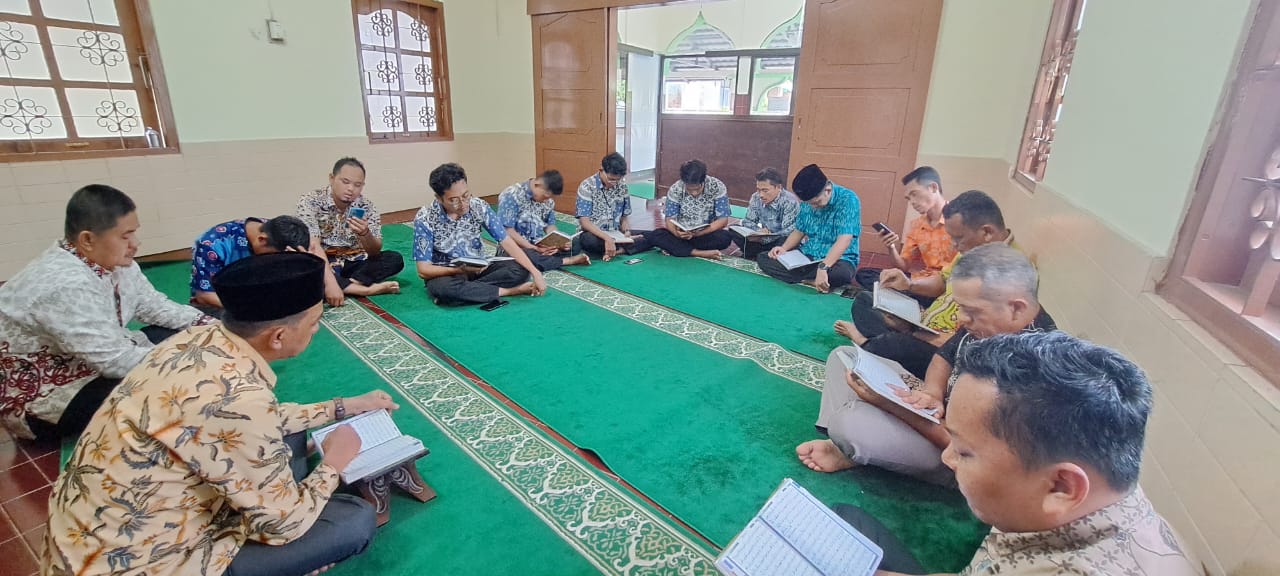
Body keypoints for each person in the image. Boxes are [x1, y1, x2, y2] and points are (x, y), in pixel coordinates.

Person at [43, 252, 396, 576]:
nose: (317, 329)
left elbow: (253, 420)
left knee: (287, 440)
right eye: (315, 322)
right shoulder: (241, 400)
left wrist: (342, 407)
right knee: (353, 521)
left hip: (88, 539)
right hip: (149, 562)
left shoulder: (194, 340)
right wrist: (333, 463)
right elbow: (284, 525)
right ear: (278, 336)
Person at [846, 332, 1202, 575]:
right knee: (847, 529)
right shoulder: (1106, 496)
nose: (947, 459)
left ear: (1061, 487)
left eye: (965, 452)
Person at [798, 245, 1055, 486]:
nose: (962, 319)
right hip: (936, 413)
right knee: (845, 358)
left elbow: (969, 449)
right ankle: (846, 445)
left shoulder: (1033, 364)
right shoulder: (992, 320)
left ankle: (849, 442)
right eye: (961, 309)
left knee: (849, 422)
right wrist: (932, 392)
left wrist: (888, 403)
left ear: (1016, 309)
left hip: (956, 454)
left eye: (970, 311)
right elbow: (943, 356)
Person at [0, 185, 215, 441]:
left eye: (134, 233)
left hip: (96, 358)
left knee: (199, 325)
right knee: (172, 383)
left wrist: (210, 325)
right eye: (125, 236)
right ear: (87, 240)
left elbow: (154, 306)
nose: (135, 243)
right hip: (51, 398)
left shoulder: (116, 262)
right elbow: (114, 361)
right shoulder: (64, 284)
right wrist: (194, 358)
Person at [835, 190, 1016, 379]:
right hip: (924, 321)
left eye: (959, 239)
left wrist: (911, 332)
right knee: (865, 300)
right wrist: (909, 284)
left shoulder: (1010, 275)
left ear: (987, 232)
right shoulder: (973, 251)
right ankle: (881, 347)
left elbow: (970, 343)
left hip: (944, 348)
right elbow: (942, 281)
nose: (954, 246)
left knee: (895, 344)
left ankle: (867, 343)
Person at [414, 163, 548, 306]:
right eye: (454, 200)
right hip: (447, 274)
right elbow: (423, 270)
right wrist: (458, 270)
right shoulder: (425, 218)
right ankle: (510, 291)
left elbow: (506, 241)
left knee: (521, 269)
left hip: (480, 269)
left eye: (465, 195)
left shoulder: (478, 206)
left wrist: (535, 272)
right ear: (439, 198)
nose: (463, 204)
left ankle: (465, 293)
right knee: (444, 288)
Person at [297, 157, 404, 305]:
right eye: (345, 182)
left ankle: (345, 285)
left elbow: (374, 251)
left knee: (394, 259)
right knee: (302, 271)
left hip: (354, 261)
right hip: (324, 261)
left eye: (357, 185)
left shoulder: (366, 206)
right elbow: (313, 246)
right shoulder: (310, 202)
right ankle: (363, 289)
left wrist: (365, 233)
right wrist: (330, 282)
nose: (351, 189)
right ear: (332, 178)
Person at [852, 166, 955, 303]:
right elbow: (903, 266)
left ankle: (903, 298)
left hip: (950, 284)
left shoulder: (958, 218)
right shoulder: (917, 225)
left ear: (933, 187)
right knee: (866, 274)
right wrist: (891, 247)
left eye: (914, 194)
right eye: (908, 198)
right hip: (920, 281)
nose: (912, 202)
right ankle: (910, 298)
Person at [757, 164, 861, 293]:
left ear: (828, 190)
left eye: (816, 203)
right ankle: (809, 280)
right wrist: (783, 248)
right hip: (808, 256)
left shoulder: (848, 199)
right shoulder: (807, 203)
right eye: (810, 204)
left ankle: (806, 277)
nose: (813, 207)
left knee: (841, 274)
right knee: (764, 258)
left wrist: (823, 267)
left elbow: (844, 239)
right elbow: (799, 230)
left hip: (839, 260)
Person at [189, 215, 314, 314]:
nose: (278, 264)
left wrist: (303, 263)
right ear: (262, 240)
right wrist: (250, 310)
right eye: (276, 259)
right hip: (223, 303)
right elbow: (204, 296)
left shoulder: (275, 232)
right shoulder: (212, 244)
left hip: (258, 295)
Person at [495, 170, 590, 271]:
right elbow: (507, 231)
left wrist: (558, 243)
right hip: (516, 246)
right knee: (526, 256)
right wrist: (533, 247)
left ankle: (546, 259)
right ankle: (567, 261)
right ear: (537, 184)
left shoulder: (548, 200)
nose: (546, 201)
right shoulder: (512, 195)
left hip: (539, 244)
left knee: (574, 245)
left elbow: (550, 226)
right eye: (544, 197)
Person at [643, 159, 733, 259]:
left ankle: (677, 248)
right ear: (684, 182)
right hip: (681, 236)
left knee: (725, 237)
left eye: (697, 189)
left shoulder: (717, 186)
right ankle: (698, 252)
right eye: (690, 189)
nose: (694, 193)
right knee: (658, 234)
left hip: (704, 234)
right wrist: (677, 234)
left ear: (703, 180)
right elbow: (669, 219)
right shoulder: (675, 189)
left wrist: (697, 234)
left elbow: (723, 220)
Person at [576, 152, 647, 260]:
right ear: (601, 170)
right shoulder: (587, 186)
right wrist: (607, 238)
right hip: (595, 234)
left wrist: (626, 232)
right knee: (589, 241)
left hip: (616, 232)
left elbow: (624, 218)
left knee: (653, 236)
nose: (614, 183)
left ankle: (618, 249)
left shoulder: (622, 187)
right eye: (611, 179)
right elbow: (585, 222)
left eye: (618, 180)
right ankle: (623, 247)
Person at [734, 167, 799, 259]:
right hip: (761, 237)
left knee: (785, 240)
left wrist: (768, 236)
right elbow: (748, 221)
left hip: (778, 240)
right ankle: (761, 254)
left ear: (778, 187)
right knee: (735, 231)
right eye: (758, 190)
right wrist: (758, 231)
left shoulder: (790, 201)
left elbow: (789, 231)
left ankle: (760, 254)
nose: (761, 195)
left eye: (765, 190)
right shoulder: (756, 197)